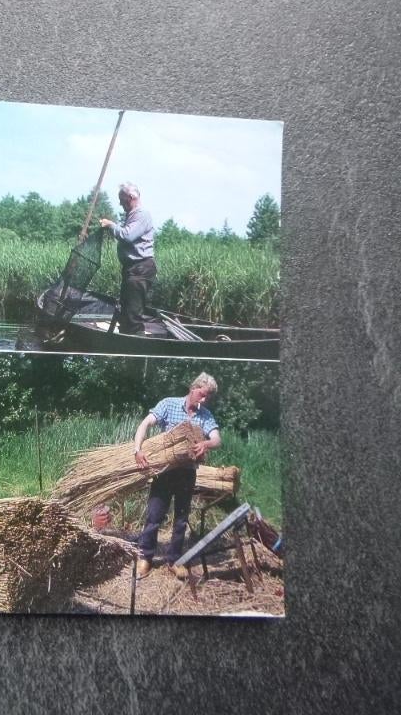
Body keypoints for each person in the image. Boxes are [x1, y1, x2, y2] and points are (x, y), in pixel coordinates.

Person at [132, 372, 222, 579]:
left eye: (208, 397)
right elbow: (145, 424)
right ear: (194, 388)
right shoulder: (169, 404)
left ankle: (174, 560)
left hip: (187, 474)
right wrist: (138, 450)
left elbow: (217, 439)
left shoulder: (205, 415)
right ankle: (145, 557)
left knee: (181, 519)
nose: (205, 399)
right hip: (164, 472)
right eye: (202, 394)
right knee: (154, 515)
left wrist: (206, 443)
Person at [99, 183, 156, 335]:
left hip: (140, 268)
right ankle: (125, 342)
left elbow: (127, 235)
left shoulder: (141, 214)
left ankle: (135, 349)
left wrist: (111, 225)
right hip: (133, 269)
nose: (120, 203)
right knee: (126, 312)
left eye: (122, 200)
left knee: (132, 315)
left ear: (130, 198)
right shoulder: (132, 215)